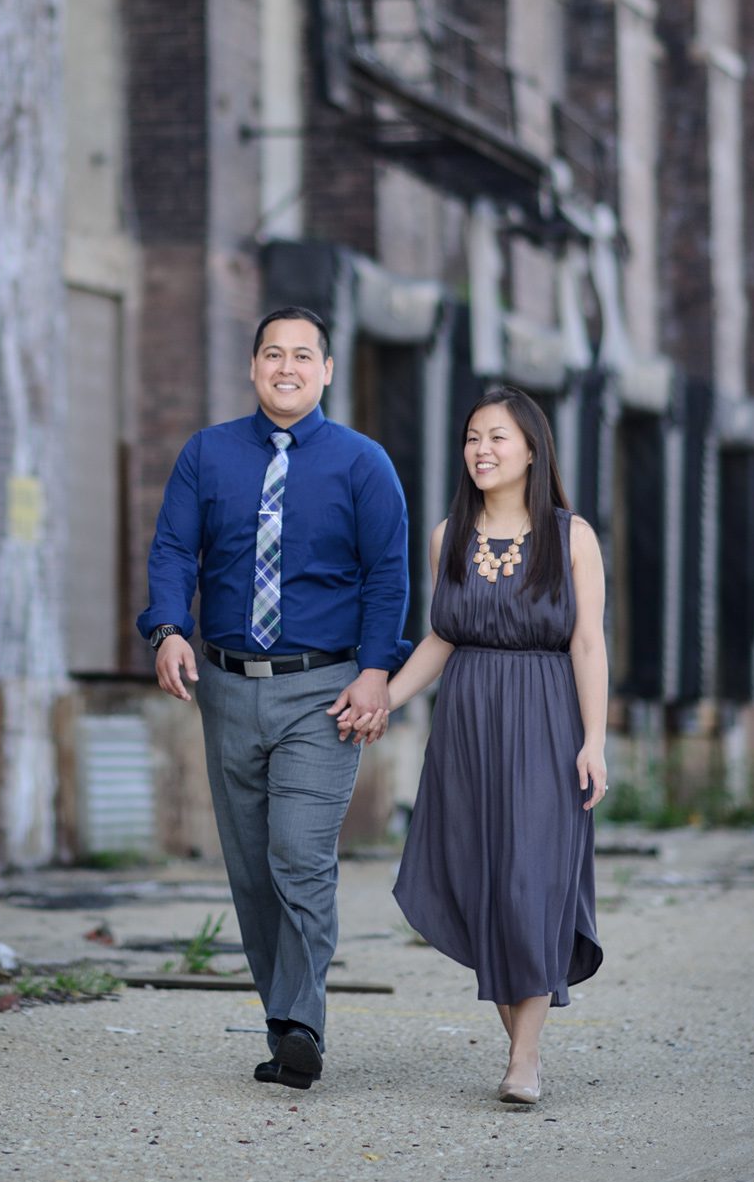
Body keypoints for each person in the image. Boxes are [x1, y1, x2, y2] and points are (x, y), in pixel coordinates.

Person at [139, 307, 409, 1090]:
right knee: (252, 869)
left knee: (299, 853)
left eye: (302, 355)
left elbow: (388, 575)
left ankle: (302, 1025)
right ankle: (280, 1015)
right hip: (224, 686)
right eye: (271, 354)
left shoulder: (363, 464)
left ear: (327, 370)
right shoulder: (206, 454)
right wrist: (166, 630)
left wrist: (375, 671)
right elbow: (172, 551)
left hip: (324, 690)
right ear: (252, 367)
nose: (285, 368)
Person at [344, 383, 605, 1105]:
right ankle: (518, 1047)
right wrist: (383, 699)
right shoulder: (446, 536)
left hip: (547, 720)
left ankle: (524, 1059)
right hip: (465, 724)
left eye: (497, 437)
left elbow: (587, 644)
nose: (481, 450)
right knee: (481, 882)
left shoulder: (570, 535)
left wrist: (594, 741)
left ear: (530, 450)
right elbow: (443, 636)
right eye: (471, 438)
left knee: (531, 881)